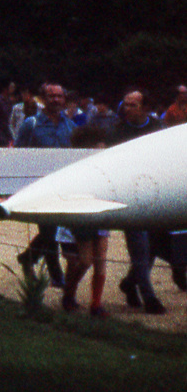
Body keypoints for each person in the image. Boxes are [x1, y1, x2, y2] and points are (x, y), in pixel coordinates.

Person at [112, 90, 166, 314]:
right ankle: (149, 297)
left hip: (154, 193)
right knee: (139, 247)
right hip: (131, 196)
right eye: (125, 104)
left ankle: (130, 283)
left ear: (145, 108)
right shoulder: (118, 132)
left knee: (153, 246)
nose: (127, 109)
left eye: (133, 105)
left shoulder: (156, 129)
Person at [15, 82, 73, 287]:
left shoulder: (70, 125)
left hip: (63, 186)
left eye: (59, 96)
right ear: (43, 99)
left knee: (55, 229)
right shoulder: (31, 124)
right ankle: (57, 276)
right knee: (49, 232)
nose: (56, 100)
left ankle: (28, 258)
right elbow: (19, 154)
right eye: (51, 96)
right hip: (39, 186)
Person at [59, 124, 112, 317]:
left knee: (100, 258)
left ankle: (96, 304)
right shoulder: (75, 167)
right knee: (85, 260)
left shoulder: (104, 165)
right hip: (81, 215)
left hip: (100, 214)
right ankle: (68, 293)